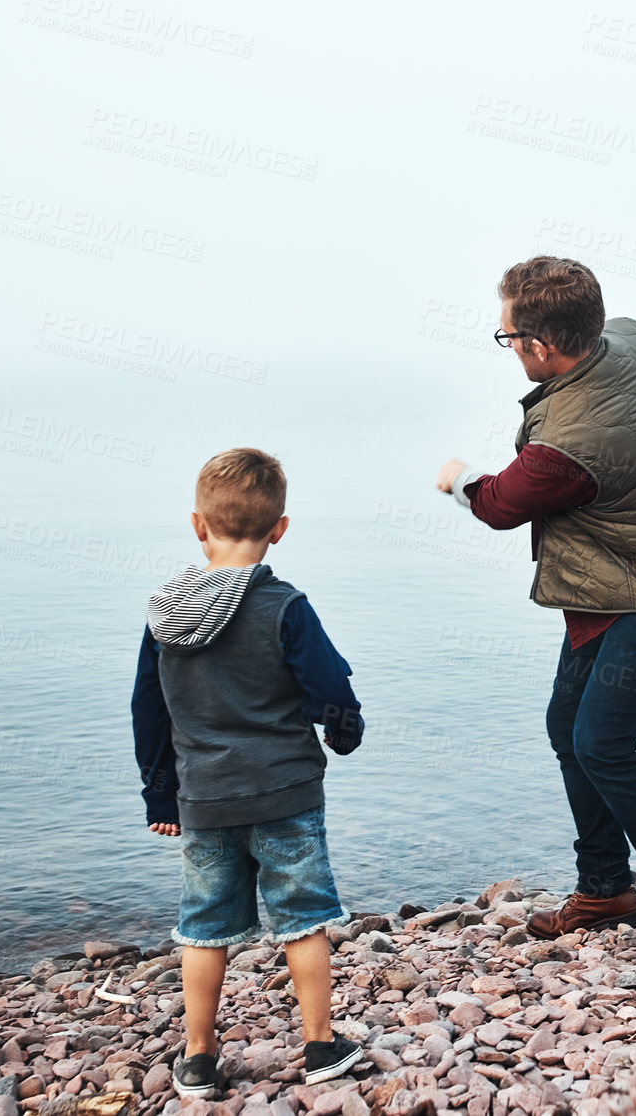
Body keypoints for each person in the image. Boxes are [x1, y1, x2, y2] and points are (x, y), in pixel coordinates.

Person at [435, 256, 636, 972]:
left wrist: (458, 479)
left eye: (508, 335)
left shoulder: (566, 445)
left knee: (604, 741)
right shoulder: (635, 337)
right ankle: (604, 889)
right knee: (566, 729)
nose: (508, 345)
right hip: (618, 576)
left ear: (542, 346)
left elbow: (501, 504)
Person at [131, 447, 367, 1095]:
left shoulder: (165, 615)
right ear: (279, 528)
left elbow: (147, 709)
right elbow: (330, 686)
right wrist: (343, 730)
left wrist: (161, 794)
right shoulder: (286, 606)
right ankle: (320, 1045)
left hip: (204, 798)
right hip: (286, 793)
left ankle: (199, 1056)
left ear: (198, 525)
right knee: (303, 917)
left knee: (204, 925)